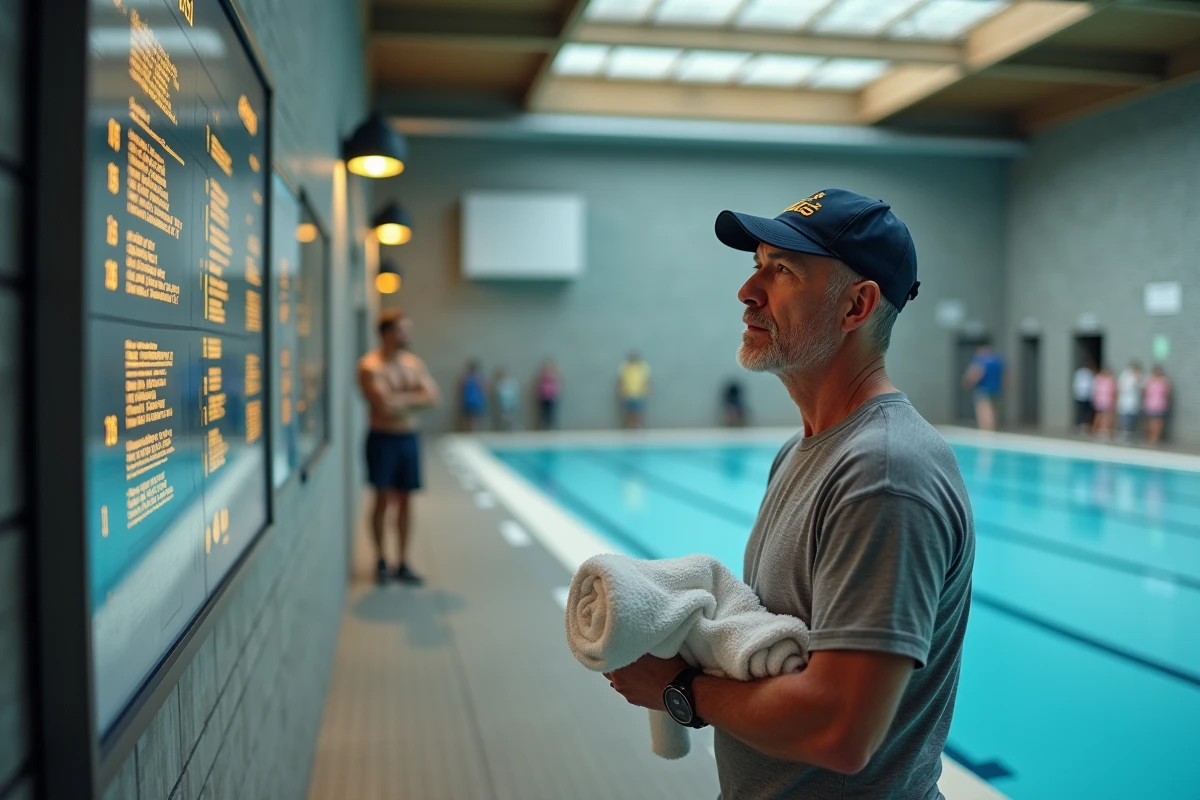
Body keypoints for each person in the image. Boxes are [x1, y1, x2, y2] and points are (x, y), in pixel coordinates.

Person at [605, 188, 974, 799]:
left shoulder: (884, 472)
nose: (747, 291)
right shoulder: (803, 451)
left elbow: (840, 730)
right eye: (758, 266)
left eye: (783, 272)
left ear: (856, 305)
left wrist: (680, 691)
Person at [357, 310, 440, 585]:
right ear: (387, 333)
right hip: (382, 438)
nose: (407, 336)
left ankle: (403, 561)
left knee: (406, 500)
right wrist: (414, 398)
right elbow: (384, 406)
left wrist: (399, 399)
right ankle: (381, 559)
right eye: (402, 330)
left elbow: (433, 397)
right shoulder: (370, 366)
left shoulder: (413, 364)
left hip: (407, 438)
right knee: (382, 498)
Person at [961, 342, 1004, 432]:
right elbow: (1005, 375)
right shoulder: (997, 360)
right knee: (993, 410)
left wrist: (968, 382)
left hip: (983, 389)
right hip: (996, 389)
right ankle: (992, 428)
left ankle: (986, 429)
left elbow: (976, 373)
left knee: (983, 410)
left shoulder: (981, 360)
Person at [618, 352, 652, 429]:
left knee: (638, 411)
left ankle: (638, 426)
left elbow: (647, 380)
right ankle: (628, 426)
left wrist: (648, 389)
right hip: (628, 393)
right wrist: (620, 390)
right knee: (628, 411)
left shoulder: (642, 367)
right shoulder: (625, 367)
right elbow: (620, 380)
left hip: (639, 393)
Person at [1116, 360, 1144, 442]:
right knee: (1124, 418)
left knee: (1132, 419)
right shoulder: (1125, 375)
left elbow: (1142, 387)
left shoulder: (1139, 375)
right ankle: (1123, 433)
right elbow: (1121, 387)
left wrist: (1137, 378)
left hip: (1134, 401)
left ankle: (1131, 434)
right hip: (1125, 400)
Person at [1144, 365, 1171, 444]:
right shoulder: (1151, 381)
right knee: (1153, 422)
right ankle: (1153, 437)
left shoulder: (1162, 381)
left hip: (1158, 404)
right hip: (1153, 404)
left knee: (1157, 422)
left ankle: (1155, 438)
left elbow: (1167, 393)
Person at [458, 360, 488, 432]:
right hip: (472, 401)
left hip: (471, 401)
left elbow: (460, 388)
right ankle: (473, 431)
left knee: (471, 419)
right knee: (472, 419)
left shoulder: (466, 378)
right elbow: (484, 389)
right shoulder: (477, 378)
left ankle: (471, 431)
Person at [1091, 365, 1117, 438]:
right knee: (1102, 415)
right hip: (1103, 400)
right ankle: (1100, 430)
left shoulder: (1102, 379)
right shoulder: (1102, 379)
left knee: (1103, 415)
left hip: (1104, 400)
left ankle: (1102, 430)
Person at [1072, 359, 1096, 434]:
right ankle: (1078, 425)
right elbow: (1076, 384)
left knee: (1087, 413)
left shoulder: (1090, 373)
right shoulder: (1079, 373)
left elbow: (1092, 384)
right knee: (1080, 412)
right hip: (1080, 396)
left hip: (1088, 397)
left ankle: (1084, 426)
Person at [536, 359, 560, 430]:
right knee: (543, 412)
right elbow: (540, 386)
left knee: (550, 413)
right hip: (543, 397)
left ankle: (551, 426)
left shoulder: (553, 377)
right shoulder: (542, 377)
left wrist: (555, 395)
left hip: (550, 397)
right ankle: (543, 426)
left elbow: (555, 387)